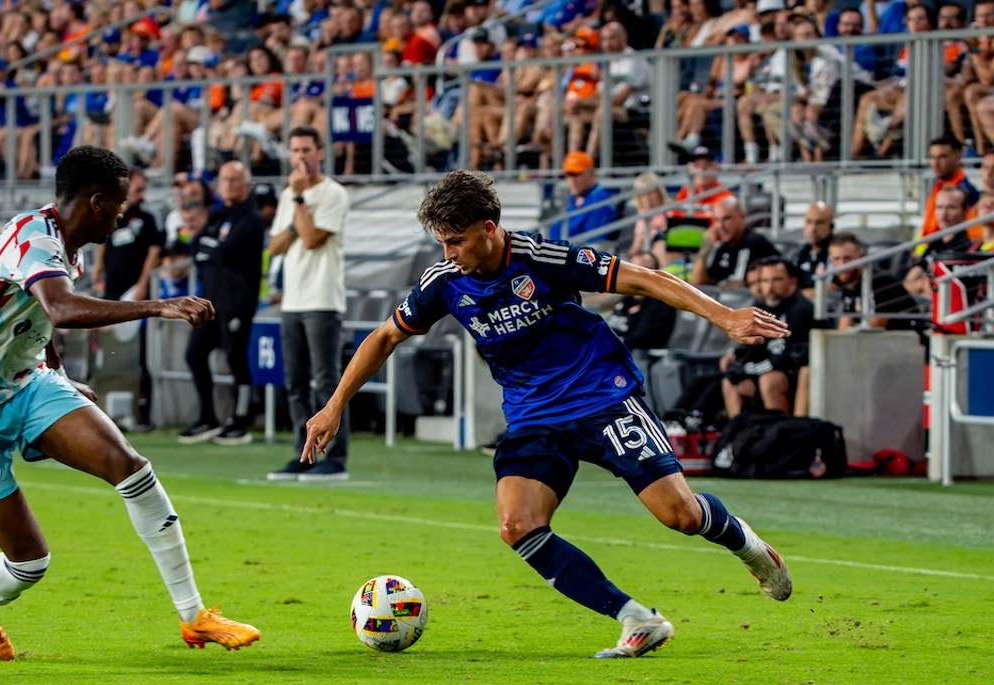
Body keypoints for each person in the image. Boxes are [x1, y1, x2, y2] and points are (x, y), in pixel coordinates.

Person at [301, 170, 793, 659]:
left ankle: (750, 548)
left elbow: (645, 279)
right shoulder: (445, 280)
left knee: (680, 515)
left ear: (489, 229)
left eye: (456, 241)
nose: (448, 253)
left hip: (602, 395)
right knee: (517, 525)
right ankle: (637, 619)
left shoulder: (544, 258)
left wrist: (725, 316)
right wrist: (334, 404)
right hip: (534, 415)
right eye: (442, 243)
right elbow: (386, 335)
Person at [0, 146, 259, 660]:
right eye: (119, 203)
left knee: (130, 467)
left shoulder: (67, 245)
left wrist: (61, 377)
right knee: (30, 563)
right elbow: (63, 309)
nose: (123, 213)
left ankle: (195, 617)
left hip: (25, 387)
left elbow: (40, 319)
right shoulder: (33, 239)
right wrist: (160, 305)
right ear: (96, 201)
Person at [266, 126, 351, 482]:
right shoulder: (289, 193)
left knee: (326, 381)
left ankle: (335, 457)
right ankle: (304, 454)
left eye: (306, 149)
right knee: (296, 382)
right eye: (295, 149)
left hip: (322, 297)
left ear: (320, 153)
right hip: (294, 299)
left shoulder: (333, 194)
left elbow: (313, 239)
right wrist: (297, 212)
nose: (300, 156)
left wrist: (300, 202)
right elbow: (275, 245)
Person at [183, 160, 265, 446]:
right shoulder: (218, 215)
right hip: (211, 302)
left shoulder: (251, 218)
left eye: (235, 180)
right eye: (225, 179)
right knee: (195, 355)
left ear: (246, 184)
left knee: (235, 358)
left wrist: (213, 250)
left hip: (238, 302)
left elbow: (225, 252)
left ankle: (241, 419)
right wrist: (212, 250)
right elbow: (196, 248)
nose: (229, 184)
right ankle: (207, 417)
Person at [96, 167, 164, 431]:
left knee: (138, 353)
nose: (139, 194)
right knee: (110, 349)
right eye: (135, 188)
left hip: (134, 294)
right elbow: (103, 241)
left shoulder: (147, 218)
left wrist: (142, 286)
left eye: (141, 189)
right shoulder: (114, 215)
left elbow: (154, 251)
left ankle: (141, 410)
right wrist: (99, 266)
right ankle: (107, 407)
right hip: (113, 291)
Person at [720, 257, 815, 417]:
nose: (769, 287)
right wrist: (738, 358)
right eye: (764, 281)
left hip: (795, 375)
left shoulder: (802, 310)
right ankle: (737, 435)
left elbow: (787, 359)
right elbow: (754, 348)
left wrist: (746, 369)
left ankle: (779, 435)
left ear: (792, 281)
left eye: (776, 280)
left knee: (770, 380)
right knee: (730, 382)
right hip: (764, 370)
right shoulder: (765, 308)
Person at [690, 195, 780, 287]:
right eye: (716, 220)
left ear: (742, 217)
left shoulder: (755, 242)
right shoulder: (722, 249)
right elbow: (698, 284)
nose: (721, 226)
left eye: (726, 219)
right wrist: (705, 250)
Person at [547, 151, 617, 243]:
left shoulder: (601, 202)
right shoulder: (570, 200)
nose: (572, 180)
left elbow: (595, 243)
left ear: (590, 173)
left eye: (577, 174)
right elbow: (554, 232)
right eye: (569, 175)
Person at [793, 201, 833, 293]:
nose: (813, 228)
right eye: (809, 222)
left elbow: (834, 288)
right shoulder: (800, 252)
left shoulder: (838, 253)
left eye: (819, 222)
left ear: (831, 226)